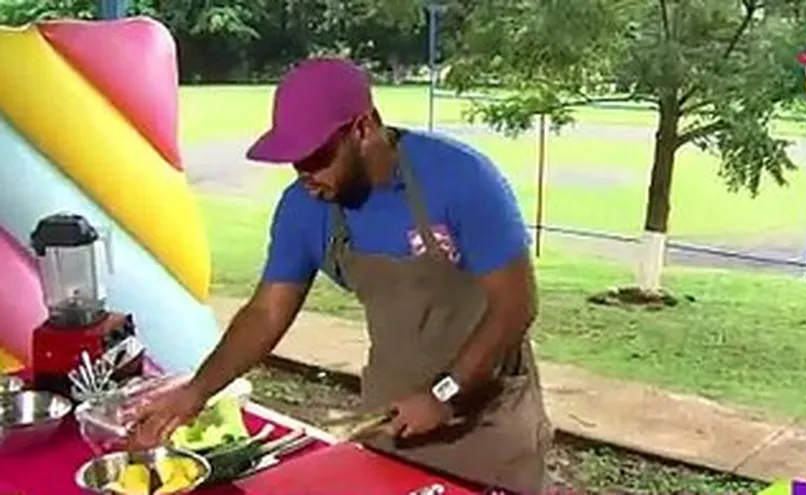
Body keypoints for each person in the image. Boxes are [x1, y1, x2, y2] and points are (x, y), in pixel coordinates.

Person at [129, 57, 553, 494]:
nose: (306, 176)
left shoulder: (460, 179)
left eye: (315, 157)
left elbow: (515, 305)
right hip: (395, 422)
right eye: (295, 162)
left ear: (363, 128)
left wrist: (445, 394)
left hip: (489, 424)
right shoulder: (303, 208)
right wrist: (197, 391)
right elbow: (266, 313)